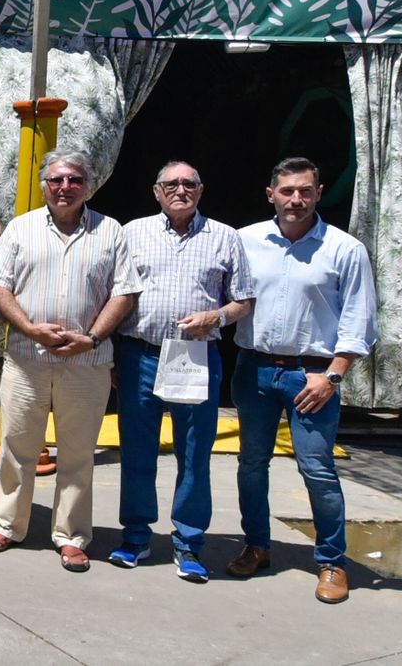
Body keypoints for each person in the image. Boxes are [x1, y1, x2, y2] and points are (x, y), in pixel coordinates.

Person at [0, 150, 139, 572]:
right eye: (56, 180)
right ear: (43, 184)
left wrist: (91, 338)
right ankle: (6, 526)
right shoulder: (20, 229)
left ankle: (71, 536)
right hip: (27, 359)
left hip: (86, 363)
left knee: (77, 453)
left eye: (74, 180)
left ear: (87, 184)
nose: (64, 187)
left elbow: (125, 292)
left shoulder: (111, 231)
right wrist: (30, 329)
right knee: (17, 447)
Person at [229, 157, 377, 605]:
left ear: (319, 192)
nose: (296, 199)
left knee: (317, 468)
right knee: (251, 464)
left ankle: (332, 561)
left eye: (306, 191)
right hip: (253, 367)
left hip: (313, 375)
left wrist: (333, 376)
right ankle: (257, 545)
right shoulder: (245, 241)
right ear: (270, 194)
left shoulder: (344, 249)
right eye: (288, 191)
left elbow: (360, 320)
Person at [108, 161, 254, 582]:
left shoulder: (225, 237)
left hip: (195, 356)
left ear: (201, 190)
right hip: (140, 354)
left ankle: (189, 544)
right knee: (137, 451)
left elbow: (244, 300)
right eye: (171, 184)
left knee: (194, 454)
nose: (180, 190)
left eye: (189, 183)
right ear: (156, 191)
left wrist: (217, 318)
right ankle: (135, 538)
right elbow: (117, 292)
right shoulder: (133, 232)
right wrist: (116, 353)